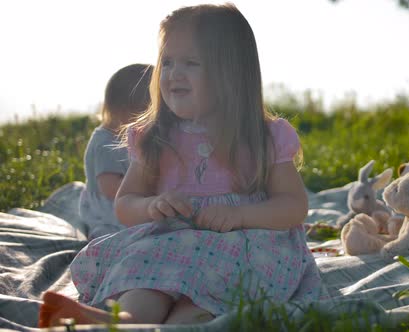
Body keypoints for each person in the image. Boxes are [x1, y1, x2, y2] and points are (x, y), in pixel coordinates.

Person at [39, 3, 322, 327]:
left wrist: (241, 215)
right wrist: (152, 205)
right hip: (171, 244)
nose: (174, 73)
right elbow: (126, 203)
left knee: (204, 299)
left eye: (190, 63)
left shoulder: (265, 137)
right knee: (148, 274)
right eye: (168, 62)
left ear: (231, 73)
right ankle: (124, 321)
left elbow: (294, 206)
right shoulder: (155, 137)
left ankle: (179, 325)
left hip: (241, 247)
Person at [79, 63, 153, 240]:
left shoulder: (133, 136)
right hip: (109, 210)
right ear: (126, 111)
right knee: (111, 234)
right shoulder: (106, 143)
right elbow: (110, 188)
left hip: (130, 202)